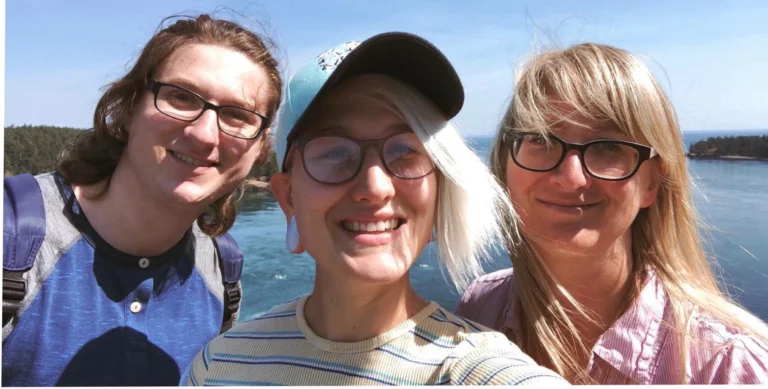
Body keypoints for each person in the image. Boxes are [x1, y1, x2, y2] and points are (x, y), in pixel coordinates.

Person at [183, 33, 567, 386]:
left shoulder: (478, 372)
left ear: (437, 196)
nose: (375, 187)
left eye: (405, 151)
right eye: (333, 151)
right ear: (288, 199)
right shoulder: (217, 365)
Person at [455, 42, 768, 384]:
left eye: (607, 147)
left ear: (652, 183)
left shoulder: (725, 367)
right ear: (505, 163)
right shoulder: (480, 307)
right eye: (541, 139)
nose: (570, 178)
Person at [2, 14, 282, 386]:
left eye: (237, 115)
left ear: (260, 147)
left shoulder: (221, 271)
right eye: (180, 96)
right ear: (130, 106)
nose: (204, 134)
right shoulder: (13, 238)